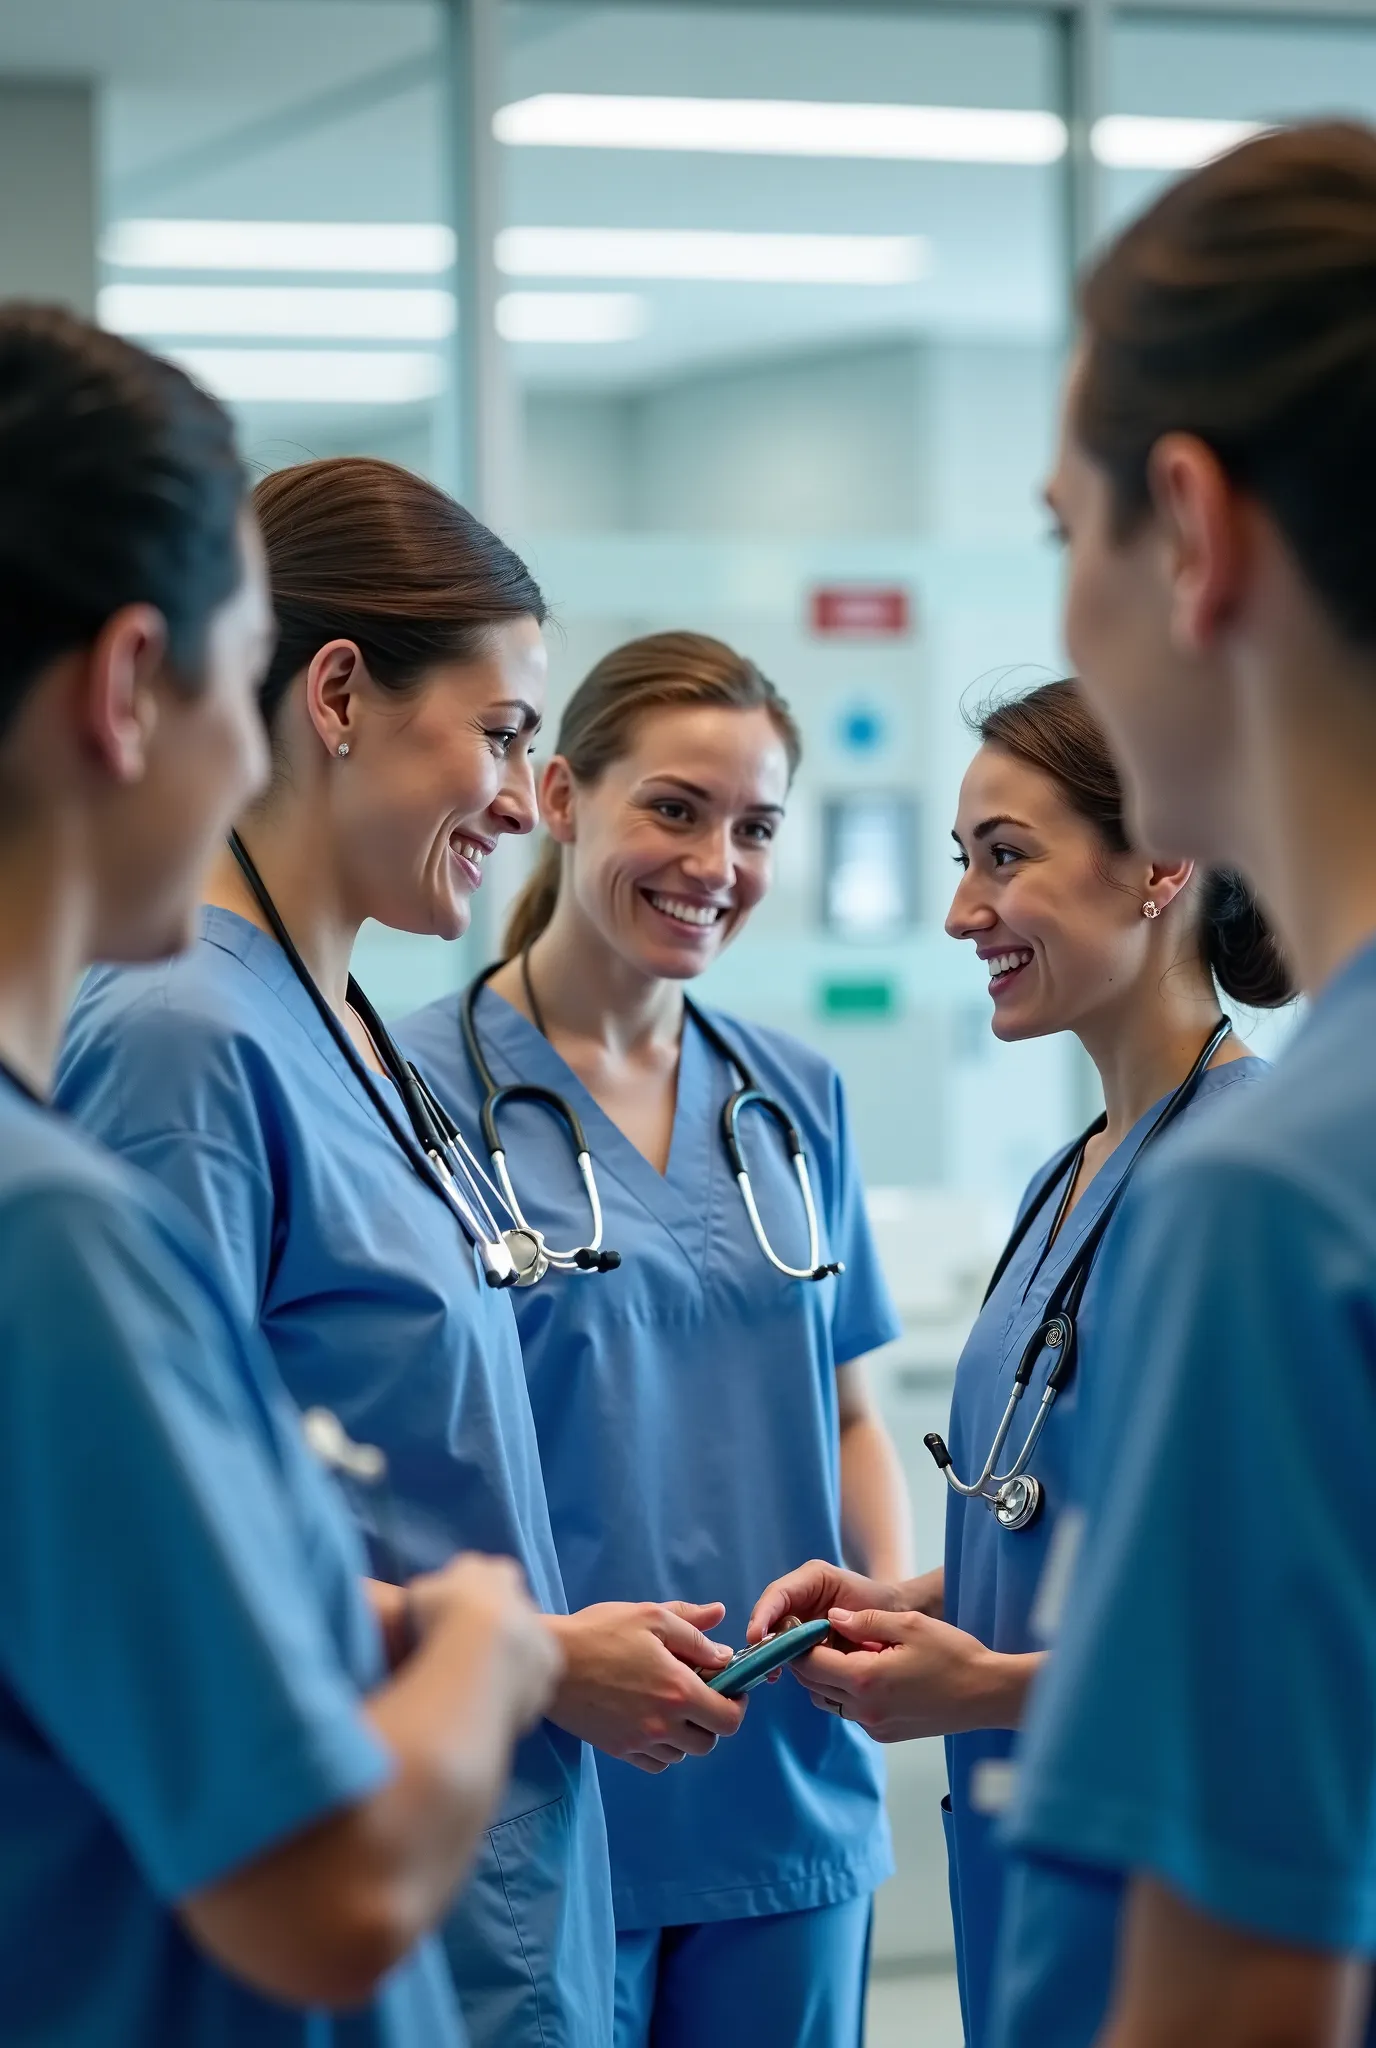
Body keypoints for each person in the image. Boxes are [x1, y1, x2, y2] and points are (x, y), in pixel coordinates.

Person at [57, 459, 745, 2048]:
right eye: (503, 733)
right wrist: (528, 1655)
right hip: (336, 1886)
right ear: (341, 693)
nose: (523, 798)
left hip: (489, 1873)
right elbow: (167, 1554)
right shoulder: (182, 1044)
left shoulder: (349, 1029)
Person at [0, 306, 559, 2045]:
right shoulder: (64, 1214)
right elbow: (328, 1885)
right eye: (225, 690)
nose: (238, 758)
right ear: (124, 693)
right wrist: (488, 1640)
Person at [983, 120, 1376, 2047]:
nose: (1068, 615)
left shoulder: (1283, 1202)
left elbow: (1242, 1996)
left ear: (1197, 539)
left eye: (1071, 537)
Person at [750, 675, 1291, 2047]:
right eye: (962, 862)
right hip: (1039, 1882)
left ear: (1163, 862)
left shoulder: (1254, 1183)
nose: (960, 913)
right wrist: (905, 1602)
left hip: (1190, 1908)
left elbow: (1287, 1642)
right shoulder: (1077, 1175)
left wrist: (980, 1685)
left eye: (1007, 857)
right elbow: (1071, 1525)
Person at [397, 630, 911, 2048]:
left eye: (755, 827)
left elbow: (851, 1405)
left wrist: (873, 1616)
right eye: (674, 809)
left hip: (785, 1787)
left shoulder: (793, 1095)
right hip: (543, 1780)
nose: (716, 863)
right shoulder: (408, 1090)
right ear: (560, 797)